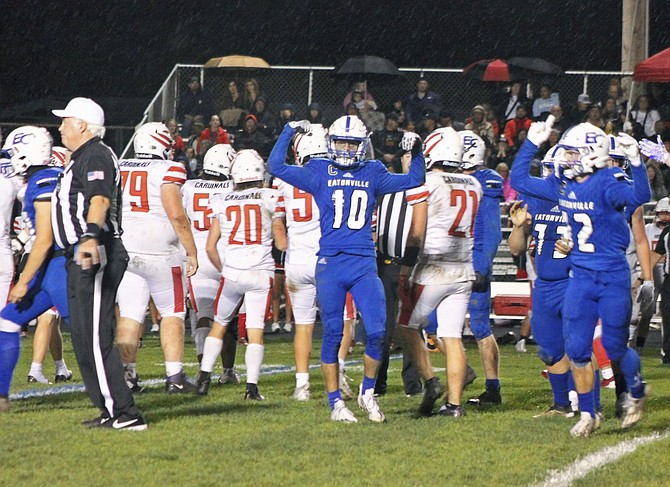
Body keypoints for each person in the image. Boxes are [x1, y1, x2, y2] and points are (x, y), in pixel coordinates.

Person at [267, 115, 425, 423]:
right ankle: (335, 403)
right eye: (340, 141)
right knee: (333, 335)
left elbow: (413, 180)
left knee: (379, 332)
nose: (345, 148)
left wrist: (417, 152)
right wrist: (287, 131)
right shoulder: (319, 170)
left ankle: (367, 394)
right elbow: (276, 167)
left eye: (351, 143)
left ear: (363, 145)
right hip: (331, 263)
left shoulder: (373, 171)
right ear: (330, 143)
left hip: (364, 262)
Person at [511, 115, 651, 436]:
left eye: (572, 153)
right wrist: (532, 143)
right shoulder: (561, 183)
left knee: (614, 348)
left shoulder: (608, 181)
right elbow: (519, 180)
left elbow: (638, 197)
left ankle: (637, 389)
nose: (565, 159)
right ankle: (589, 414)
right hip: (581, 277)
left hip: (612, 276)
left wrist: (637, 163)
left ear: (590, 154)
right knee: (575, 350)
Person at [51, 97, 147, 430]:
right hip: (79, 253)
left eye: (66, 120)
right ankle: (109, 408)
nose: (60, 126)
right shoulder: (80, 157)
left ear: (82, 125)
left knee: (94, 336)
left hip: (96, 249)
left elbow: (100, 199)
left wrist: (90, 235)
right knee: (81, 335)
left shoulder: (95, 154)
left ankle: (126, 413)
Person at [398, 127, 481, 417]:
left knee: (404, 325)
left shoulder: (428, 181)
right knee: (452, 336)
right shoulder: (474, 183)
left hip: (433, 268)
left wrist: (406, 265)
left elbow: (417, 231)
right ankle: (454, 405)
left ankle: (431, 381)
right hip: (463, 267)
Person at [116, 122, 199, 394]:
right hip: (161, 253)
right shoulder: (169, 169)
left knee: (129, 315)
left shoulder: (121, 165)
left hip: (127, 249)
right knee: (173, 313)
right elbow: (176, 214)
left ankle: (127, 376)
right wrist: (192, 250)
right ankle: (174, 376)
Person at [196, 150, 281, 401]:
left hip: (232, 272)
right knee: (255, 330)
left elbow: (210, 246)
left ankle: (203, 378)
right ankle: (251, 388)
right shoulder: (270, 197)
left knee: (219, 326)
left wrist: (225, 270)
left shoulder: (222, 199)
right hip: (260, 272)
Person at [0, 127, 68, 411]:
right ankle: (2, 396)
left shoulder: (43, 180)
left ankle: (116, 392)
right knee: (7, 321)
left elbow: (45, 237)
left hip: (61, 264)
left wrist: (24, 279)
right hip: (47, 263)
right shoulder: (40, 178)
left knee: (88, 332)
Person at [507, 149, 575, 417]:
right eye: (546, 167)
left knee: (578, 345)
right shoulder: (534, 199)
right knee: (548, 348)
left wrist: (577, 248)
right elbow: (516, 249)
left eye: (553, 168)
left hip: (574, 279)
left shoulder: (582, 197)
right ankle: (561, 404)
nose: (548, 174)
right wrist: (517, 226)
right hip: (545, 282)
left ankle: (589, 404)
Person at [271, 124, 328, 400]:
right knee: (338, 321)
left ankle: (302, 386)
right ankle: (337, 379)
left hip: (297, 259)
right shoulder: (333, 174)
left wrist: (288, 250)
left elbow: (279, 228)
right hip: (327, 257)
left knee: (303, 325)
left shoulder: (283, 180)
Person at [181, 143, 239, 383]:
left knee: (202, 314)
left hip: (197, 255)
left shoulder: (188, 186)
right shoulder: (233, 186)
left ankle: (204, 369)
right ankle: (228, 371)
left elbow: (180, 219)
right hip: (226, 253)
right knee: (228, 318)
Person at [457, 131, 505, 407]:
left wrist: (481, 266)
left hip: (473, 262)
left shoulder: (486, 181)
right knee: (431, 323)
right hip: (451, 259)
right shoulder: (453, 178)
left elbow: (492, 231)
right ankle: (463, 371)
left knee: (479, 326)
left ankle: (493, 389)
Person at [374, 150, 423, 398]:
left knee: (411, 324)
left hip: (411, 265)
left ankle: (413, 383)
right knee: (381, 324)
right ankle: (377, 382)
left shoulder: (423, 188)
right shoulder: (385, 184)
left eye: (412, 157)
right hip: (384, 263)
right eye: (405, 156)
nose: (407, 160)